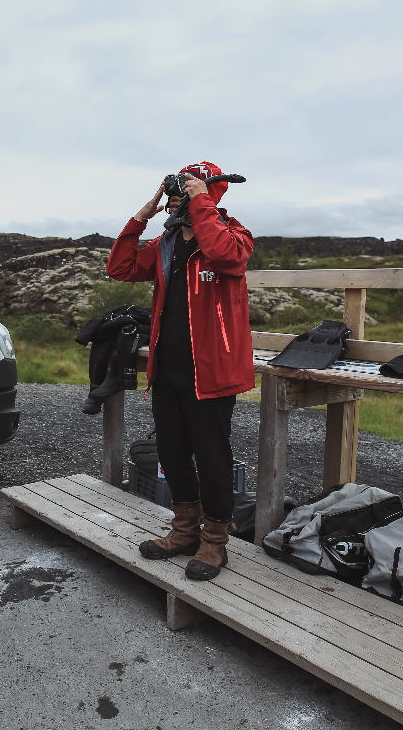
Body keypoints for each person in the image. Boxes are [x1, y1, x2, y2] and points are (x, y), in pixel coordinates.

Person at [106, 162, 254, 581]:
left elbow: (224, 255)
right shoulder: (166, 241)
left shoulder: (234, 234)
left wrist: (202, 201)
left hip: (212, 371)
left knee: (212, 456)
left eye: (187, 188)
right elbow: (119, 267)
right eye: (177, 188)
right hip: (168, 367)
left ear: (211, 192)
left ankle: (215, 543)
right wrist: (142, 216)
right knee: (172, 452)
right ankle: (184, 531)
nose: (179, 195)